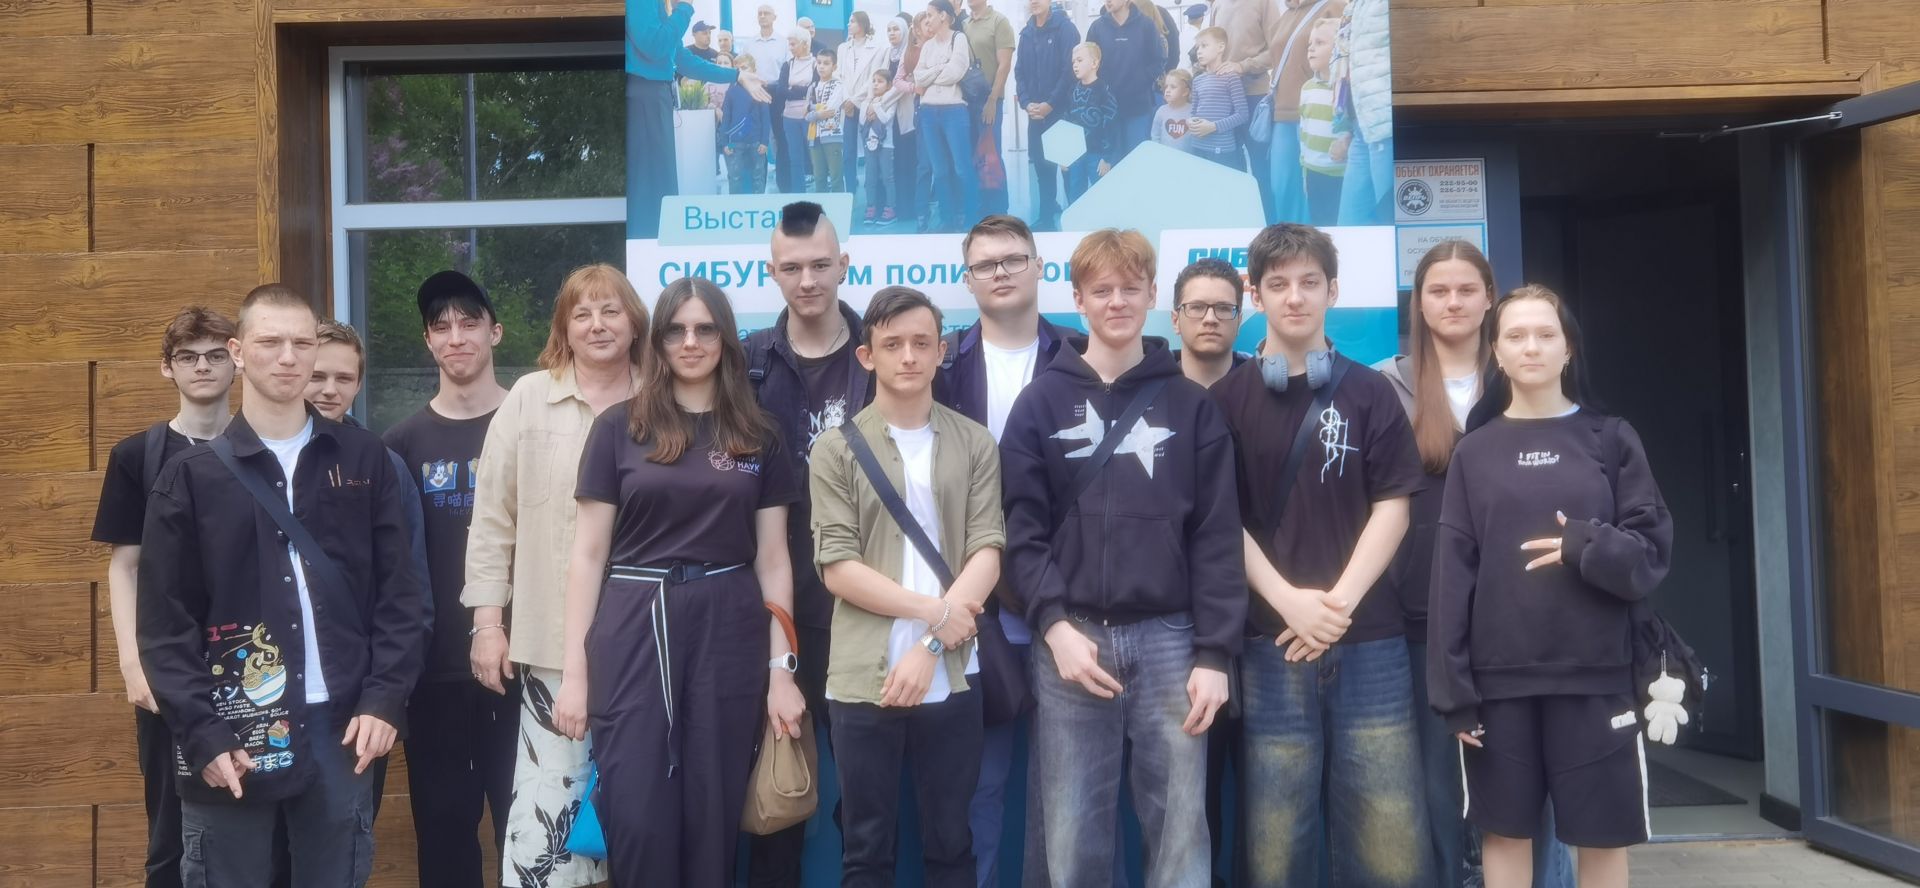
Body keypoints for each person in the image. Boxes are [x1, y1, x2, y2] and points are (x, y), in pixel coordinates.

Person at [137, 284, 430, 888]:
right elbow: (166, 626)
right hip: (230, 727)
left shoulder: (364, 459)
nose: (289, 357)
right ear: (238, 352)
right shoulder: (188, 477)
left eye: (302, 342)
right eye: (270, 342)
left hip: (342, 725)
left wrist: (385, 699)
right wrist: (201, 732)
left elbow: (401, 597)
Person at [1000, 229, 1245, 887]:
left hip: (1172, 643)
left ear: (1152, 295)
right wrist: (1054, 626)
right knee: (1072, 836)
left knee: (1180, 837)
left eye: (1130, 289)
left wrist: (1215, 654)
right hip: (1071, 641)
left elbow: (1217, 537)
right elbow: (1020, 531)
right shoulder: (1040, 404)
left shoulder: (1192, 407)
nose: (1117, 302)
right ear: (1078, 300)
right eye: (1101, 290)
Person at [551, 277, 805, 886]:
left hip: (729, 627)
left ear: (726, 339)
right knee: (638, 813)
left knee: (713, 811)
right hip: (634, 626)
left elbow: (774, 560)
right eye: (676, 330)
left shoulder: (760, 434)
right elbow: (588, 556)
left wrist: (782, 672)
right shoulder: (618, 428)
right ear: (658, 341)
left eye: (705, 329)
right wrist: (575, 676)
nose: (690, 342)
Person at [1209, 223, 1431, 886]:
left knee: (1390, 837)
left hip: (1371, 640)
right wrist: (1288, 603)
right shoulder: (1225, 401)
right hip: (1270, 643)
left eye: (1310, 282)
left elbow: (1394, 505)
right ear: (1255, 295)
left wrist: (1334, 608)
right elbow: (1221, 520)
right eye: (1278, 284)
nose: (1295, 297)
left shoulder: (1370, 392)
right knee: (1276, 839)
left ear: (1333, 290)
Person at [1430, 284, 1674, 888]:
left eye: (1546, 334)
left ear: (1569, 349)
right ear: (1497, 352)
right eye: (1515, 336)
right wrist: (1454, 691)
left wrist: (1583, 544)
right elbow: (1452, 576)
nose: (1531, 347)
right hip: (1499, 685)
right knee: (1504, 834)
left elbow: (1651, 552)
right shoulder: (1474, 452)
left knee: (1603, 835)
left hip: (1598, 678)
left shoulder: (1611, 438)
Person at [1375, 242, 1575, 888]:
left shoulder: (1528, 375)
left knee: (1534, 790)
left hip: (1524, 620)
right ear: (1418, 302)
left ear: (1490, 297)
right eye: (1438, 290)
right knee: (1436, 790)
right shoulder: (1382, 387)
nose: (1453, 302)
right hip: (1422, 618)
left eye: (1467, 289)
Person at [810, 287, 1005, 887]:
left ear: (943, 352)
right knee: (866, 849)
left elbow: (987, 551)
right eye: (892, 344)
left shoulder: (975, 442)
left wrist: (930, 645)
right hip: (861, 677)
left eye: (922, 343)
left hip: (953, 674)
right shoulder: (835, 449)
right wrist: (934, 614)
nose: (909, 356)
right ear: (867, 356)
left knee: (951, 843)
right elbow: (837, 566)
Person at [465, 263, 648, 888]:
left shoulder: (664, 399)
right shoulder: (528, 397)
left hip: (650, 645)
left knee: (640, 812)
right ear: (563, 329)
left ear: (635, 323)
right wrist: (488, 623)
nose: (597, 325)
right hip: (549, 649)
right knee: (549, 818)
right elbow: (492, 517)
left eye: (611, 311)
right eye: (582, 314)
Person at [937, 215, 1076, 888]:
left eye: (1013, 259)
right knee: (977, 791)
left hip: (1069, 604)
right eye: (985, 264)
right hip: (973, 611)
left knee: (1069, 793)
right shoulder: (940, 366)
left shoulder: (1082, 355)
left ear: (1039, 266)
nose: (1000, 272)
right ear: (967, 280)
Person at [745, 201, 874, 887]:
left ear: (844, 265)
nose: (808, 280)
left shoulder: (882, 353)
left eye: (821, 265)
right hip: (771, 612)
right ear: (772, 272)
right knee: (779, 791)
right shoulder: (747, 363)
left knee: (867, 803)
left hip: (867, 607)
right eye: (792, 268)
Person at [93, 307, 238, 888]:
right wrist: (133, 666)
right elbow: (124, 566)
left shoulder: (265, 448)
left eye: (215, 354)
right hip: (169, 669)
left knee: (263, 822)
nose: (203, 367)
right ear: (167, 367)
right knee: (170, 833)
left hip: (255, 663)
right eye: (188, 356)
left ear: (236, 360)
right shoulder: (138, 455)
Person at [381, 271, 517, 888]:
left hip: (525, 667)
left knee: (532, 838)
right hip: (434, 675)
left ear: (495, 332)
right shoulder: (401, 445)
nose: (456, 337)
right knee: (442, 839)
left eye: (469, 323)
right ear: (428, 341)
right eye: (441, 327)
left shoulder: (528, 424)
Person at [625, 0, 768, 239]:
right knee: (648, 187)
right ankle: (643, 246)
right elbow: (654, 45)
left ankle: (654, 244)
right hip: (643, 95)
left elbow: (683, 59)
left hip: (654, 96)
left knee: (659, 186)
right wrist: (684, 8)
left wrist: (737, 75)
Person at [1264, 0, 1344, 225]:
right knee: (1282, 186)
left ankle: (1318, 240)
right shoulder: (1285, 15)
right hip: (1283, 111)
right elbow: (1271, 57)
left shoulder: (1333, 5)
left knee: (1320, 188)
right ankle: (1290, 241)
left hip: (1322, 109)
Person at [1201, 0, 1274, 214]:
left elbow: (1276, 49)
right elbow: (1210, 45)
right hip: (1222, 99)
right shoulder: (1218, 5)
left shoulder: (1265, 3)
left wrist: (1243, 66)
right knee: (1227, 166)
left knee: (1262, 168)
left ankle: (1269, 221)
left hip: (1253, 97)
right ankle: (1236, 217)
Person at [1014, 0, 1080, 228]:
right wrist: (1026, 103)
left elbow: (1069, 72)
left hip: (1062, 113)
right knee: (1042, 168)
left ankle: (1076, 220)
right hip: (1035, 114)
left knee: (1068, 169)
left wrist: (1050, 104)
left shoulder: (1065, 29)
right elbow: (1019, 72)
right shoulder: (1026, 34)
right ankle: (1046, 216)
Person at [912, 0, 975, 234]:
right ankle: (947, 219)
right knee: (939, 170)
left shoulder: (959, 38)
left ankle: (970, 217)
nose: (927, 19)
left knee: (962, 168)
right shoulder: (928, 46)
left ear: (944, 16)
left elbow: (955, 72)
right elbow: (918, 77)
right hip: (928, 112)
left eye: (930, 14)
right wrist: (940, 68)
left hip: (954, 111)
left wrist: (931, 75)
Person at [1333, 0, 1390, 226]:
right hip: (1360, 125)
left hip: (1386, 124)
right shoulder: (1354, 5)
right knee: (1350, 225)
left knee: (1391, 219)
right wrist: (1344, 127)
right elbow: (1345, 65)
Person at [962, 0, 1018, 216]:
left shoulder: (999, 22)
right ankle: (981, 206)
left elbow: (1004, 65)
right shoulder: (965, 24)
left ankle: (999, 210)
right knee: (973, 156)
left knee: (991, 155)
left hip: (988, 99)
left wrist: (993, 100)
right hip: (966, 101)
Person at [1085, 0, 1163, 153]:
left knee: (1137, 157)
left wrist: (1141, 82)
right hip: (1107, 109)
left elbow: (1158, 61)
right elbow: (1089, 64)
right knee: (1111, 160)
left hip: (1138, 107)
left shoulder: (1146, 25)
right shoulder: (1097, 28)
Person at [1170, 257, 1247, 388]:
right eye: (1197, 307)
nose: (1210, 319)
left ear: (1239, 321)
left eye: (1223, 308)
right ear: (1176, 320)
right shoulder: (1148, 389)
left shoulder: (1262, 390)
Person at [838, 12, 886, 202]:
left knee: (872, 149)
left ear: (863, 24)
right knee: (848, 152)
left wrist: (855, 100)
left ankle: (874, 197)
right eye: (849, 21)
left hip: (866, 102)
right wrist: (846, 101)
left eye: (852, 21)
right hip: (847, 105)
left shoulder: (877, 48)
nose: (848, 24)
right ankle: (850, 191)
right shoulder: (843, 48)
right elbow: (839, 76)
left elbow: (874, 78)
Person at [1062, 42, 1118, 201]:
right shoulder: (1072, 91)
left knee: (1101, 196)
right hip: (1076, 154)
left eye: (1080, 60)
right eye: (1073, 61)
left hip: (1097, 155)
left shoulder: (1104, 91)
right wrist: (1063, 155)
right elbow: (1066, 123)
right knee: (1075, 195)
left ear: (1094, 63)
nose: (1075, 65)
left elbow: (1111, 125)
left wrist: (1107, 158)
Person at [1188, 27, 1249, 169]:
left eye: (1204, 46)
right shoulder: (1197, 80)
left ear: (1221, 47)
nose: (1199, 51)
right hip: (1197, 145)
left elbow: (1242, 114)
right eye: (1197, 47)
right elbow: (1193, 112)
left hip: (1221, 148)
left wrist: (1213, 127)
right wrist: (1190, 121)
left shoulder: (1231, 78)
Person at [772, 28, 818, 193]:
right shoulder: (787, 65)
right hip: (789, 117)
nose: (790, 48)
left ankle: (821, 192)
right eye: (789, 44)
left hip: (809, 116)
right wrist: (802, 91)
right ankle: (799, 193)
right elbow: (780, 90)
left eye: (793, 44)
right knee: (795, 158)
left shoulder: (816, 64)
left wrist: (794, 90)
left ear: (805, 44)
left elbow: (815, 88)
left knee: (815, 156)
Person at [724, 53, 775, 194]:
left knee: (758, 176)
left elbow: (766, 119)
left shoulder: (760, 90)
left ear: (754, 70)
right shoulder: (731, 91)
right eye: (738, 69)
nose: (742, 71)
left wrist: (764, 142)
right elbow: (726, 118)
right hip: (735, 142)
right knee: (735, 177)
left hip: (756, 142)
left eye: (745, 67)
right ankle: (735, 204)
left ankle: (758, 203)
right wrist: (725, 142)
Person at [806, 48, 849, 193]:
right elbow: (805, 112)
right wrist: (816, 112)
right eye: (819, 63)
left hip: (832, 135)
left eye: (826, 63)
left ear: (834, 67)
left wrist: (813, 111)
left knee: (836, 176)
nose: (821, 66)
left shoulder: (838, 85)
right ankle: (820, 206)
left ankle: (839, 205)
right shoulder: (812, 87)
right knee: (819, 177)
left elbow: (830, 109)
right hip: (814, 136)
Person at [305, 319, 363, 421]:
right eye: (316, 377)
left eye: (344, 379)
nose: (330, 391)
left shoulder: (366, 433)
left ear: (358, 385)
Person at [862, 69, 899, 223]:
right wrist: (870, 105)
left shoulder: (891, 101)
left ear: (889, 85)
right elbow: (862, 120)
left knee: (887, 177)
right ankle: (871, 207)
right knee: (870, 177)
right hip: (869, 143)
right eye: (874, 81)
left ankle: (891, 208)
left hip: (886, 145)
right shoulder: (867, 101)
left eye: (880, 81)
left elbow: (885, 119)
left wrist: (876, 107)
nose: (876, 84)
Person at [1151, 69, 1195, 153]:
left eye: (1173, 87)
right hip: (1164, 156)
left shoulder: (1193, 112)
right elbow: (1155, 135)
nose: (1167, 90)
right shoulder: (1161, 111)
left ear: (1185, 92)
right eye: (1166, 86)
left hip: (1187, 158)